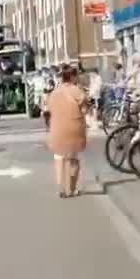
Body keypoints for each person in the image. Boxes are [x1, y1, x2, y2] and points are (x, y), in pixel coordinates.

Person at [46, 64, 90, 198]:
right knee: (73, 158)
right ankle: (72, 188)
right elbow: (84, 110)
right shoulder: (78, 91)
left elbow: (49, 109)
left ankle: (61, 188)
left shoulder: (54, 92)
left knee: (59, 157)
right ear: (72, 76)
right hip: (74, 128)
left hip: (57, 128)